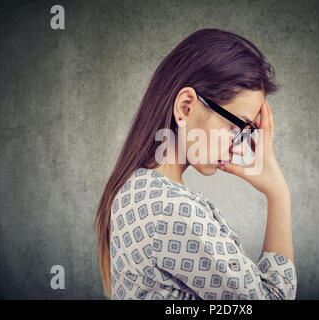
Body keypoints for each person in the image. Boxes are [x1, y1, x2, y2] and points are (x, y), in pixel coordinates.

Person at [94, 28, 296, 300]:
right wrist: (279, 194)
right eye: (238, 125)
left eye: (247, 131)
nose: (239, 144)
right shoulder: (175, 211)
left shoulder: (133, 190)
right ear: (186, 107)